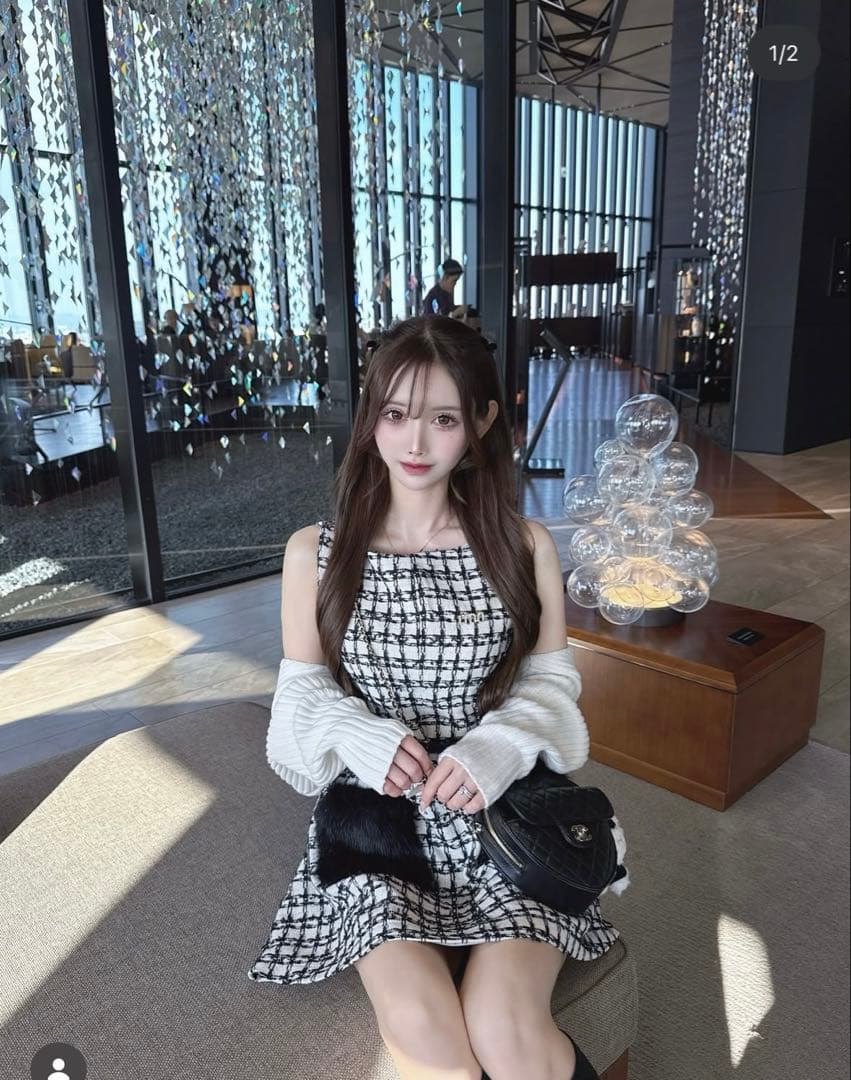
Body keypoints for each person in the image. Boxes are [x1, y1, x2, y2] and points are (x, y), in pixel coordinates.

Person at [248, 315, 617, 1080]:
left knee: (504, 1028)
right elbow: (298, 699)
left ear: (480, 421)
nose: (414, 443)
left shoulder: (522, 545)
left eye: (442, 419)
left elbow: (552, 684)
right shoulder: (314, 552)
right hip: (375, 819)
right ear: (370, 418)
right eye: (394, 414)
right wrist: (357, 732)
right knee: (422, 1030)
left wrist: (500, 745)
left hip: (503, 808)